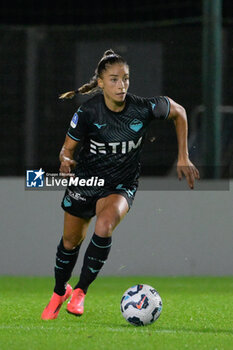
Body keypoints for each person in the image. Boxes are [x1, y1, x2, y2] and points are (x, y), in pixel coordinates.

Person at [41, 49, 200, 320]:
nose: (121, 85)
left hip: (121, 184)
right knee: (70, 242)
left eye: (125, 79)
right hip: (86, 182)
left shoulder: (143, 107)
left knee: (104, 226)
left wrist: (183, 156)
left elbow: (180, 112)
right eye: (114, 79)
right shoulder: (88, 111)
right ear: (100, 83)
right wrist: (66, 161)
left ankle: (80, 292)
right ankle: (60, 291)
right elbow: (67, 150)